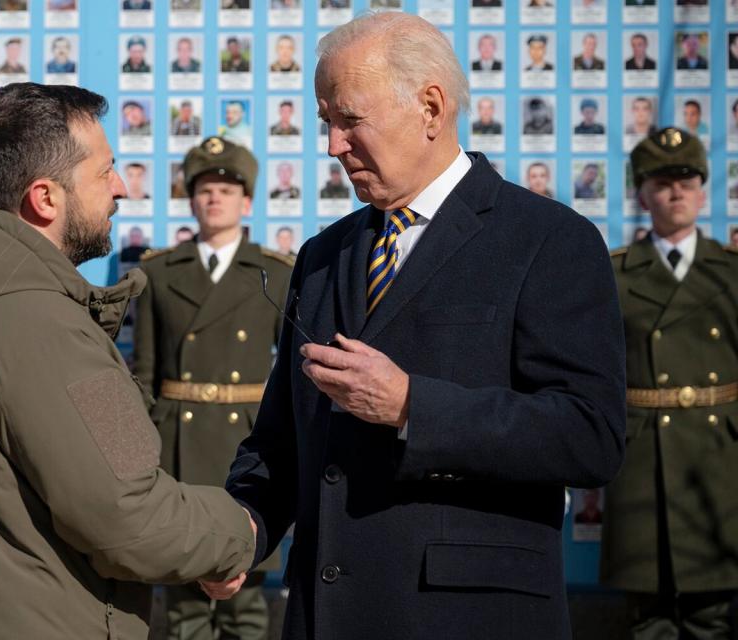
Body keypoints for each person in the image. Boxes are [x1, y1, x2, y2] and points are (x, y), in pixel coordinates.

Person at [206, 13, 625, 639]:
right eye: (326, 122)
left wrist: (411, 405)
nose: (333, 146)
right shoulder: (323, 257)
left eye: (349, 119)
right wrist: (244, 529)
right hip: (327, 618)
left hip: (468, 617)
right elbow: (282, 441)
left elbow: (589, 435)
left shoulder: (548, 240)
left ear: (431, 106)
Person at [0, 82, 257, 640]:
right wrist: (237, 533)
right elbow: (129, 515)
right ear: (46, 197)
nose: (121, 189)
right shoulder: (41, 327)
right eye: (105, 172)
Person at [135, 136, 291, 640]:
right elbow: (144, 374)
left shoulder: (276, 273)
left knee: (246, 602)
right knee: (183, 605)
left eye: (226, 188)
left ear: (246, 202)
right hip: (177, 446)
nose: (214, 198)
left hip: (244, 447)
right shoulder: (158, 272)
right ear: (191, 199)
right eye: (205, 188)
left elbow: (290, 377)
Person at [601, 127, 738, 640]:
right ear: (642, 193)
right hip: (643, 460)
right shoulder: (613, 274)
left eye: (686, 180)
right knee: (649, 618)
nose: (675, 192)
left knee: (714, 615)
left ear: (704, 191)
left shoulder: (731, 273)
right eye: (661, 182)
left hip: (719, 460)